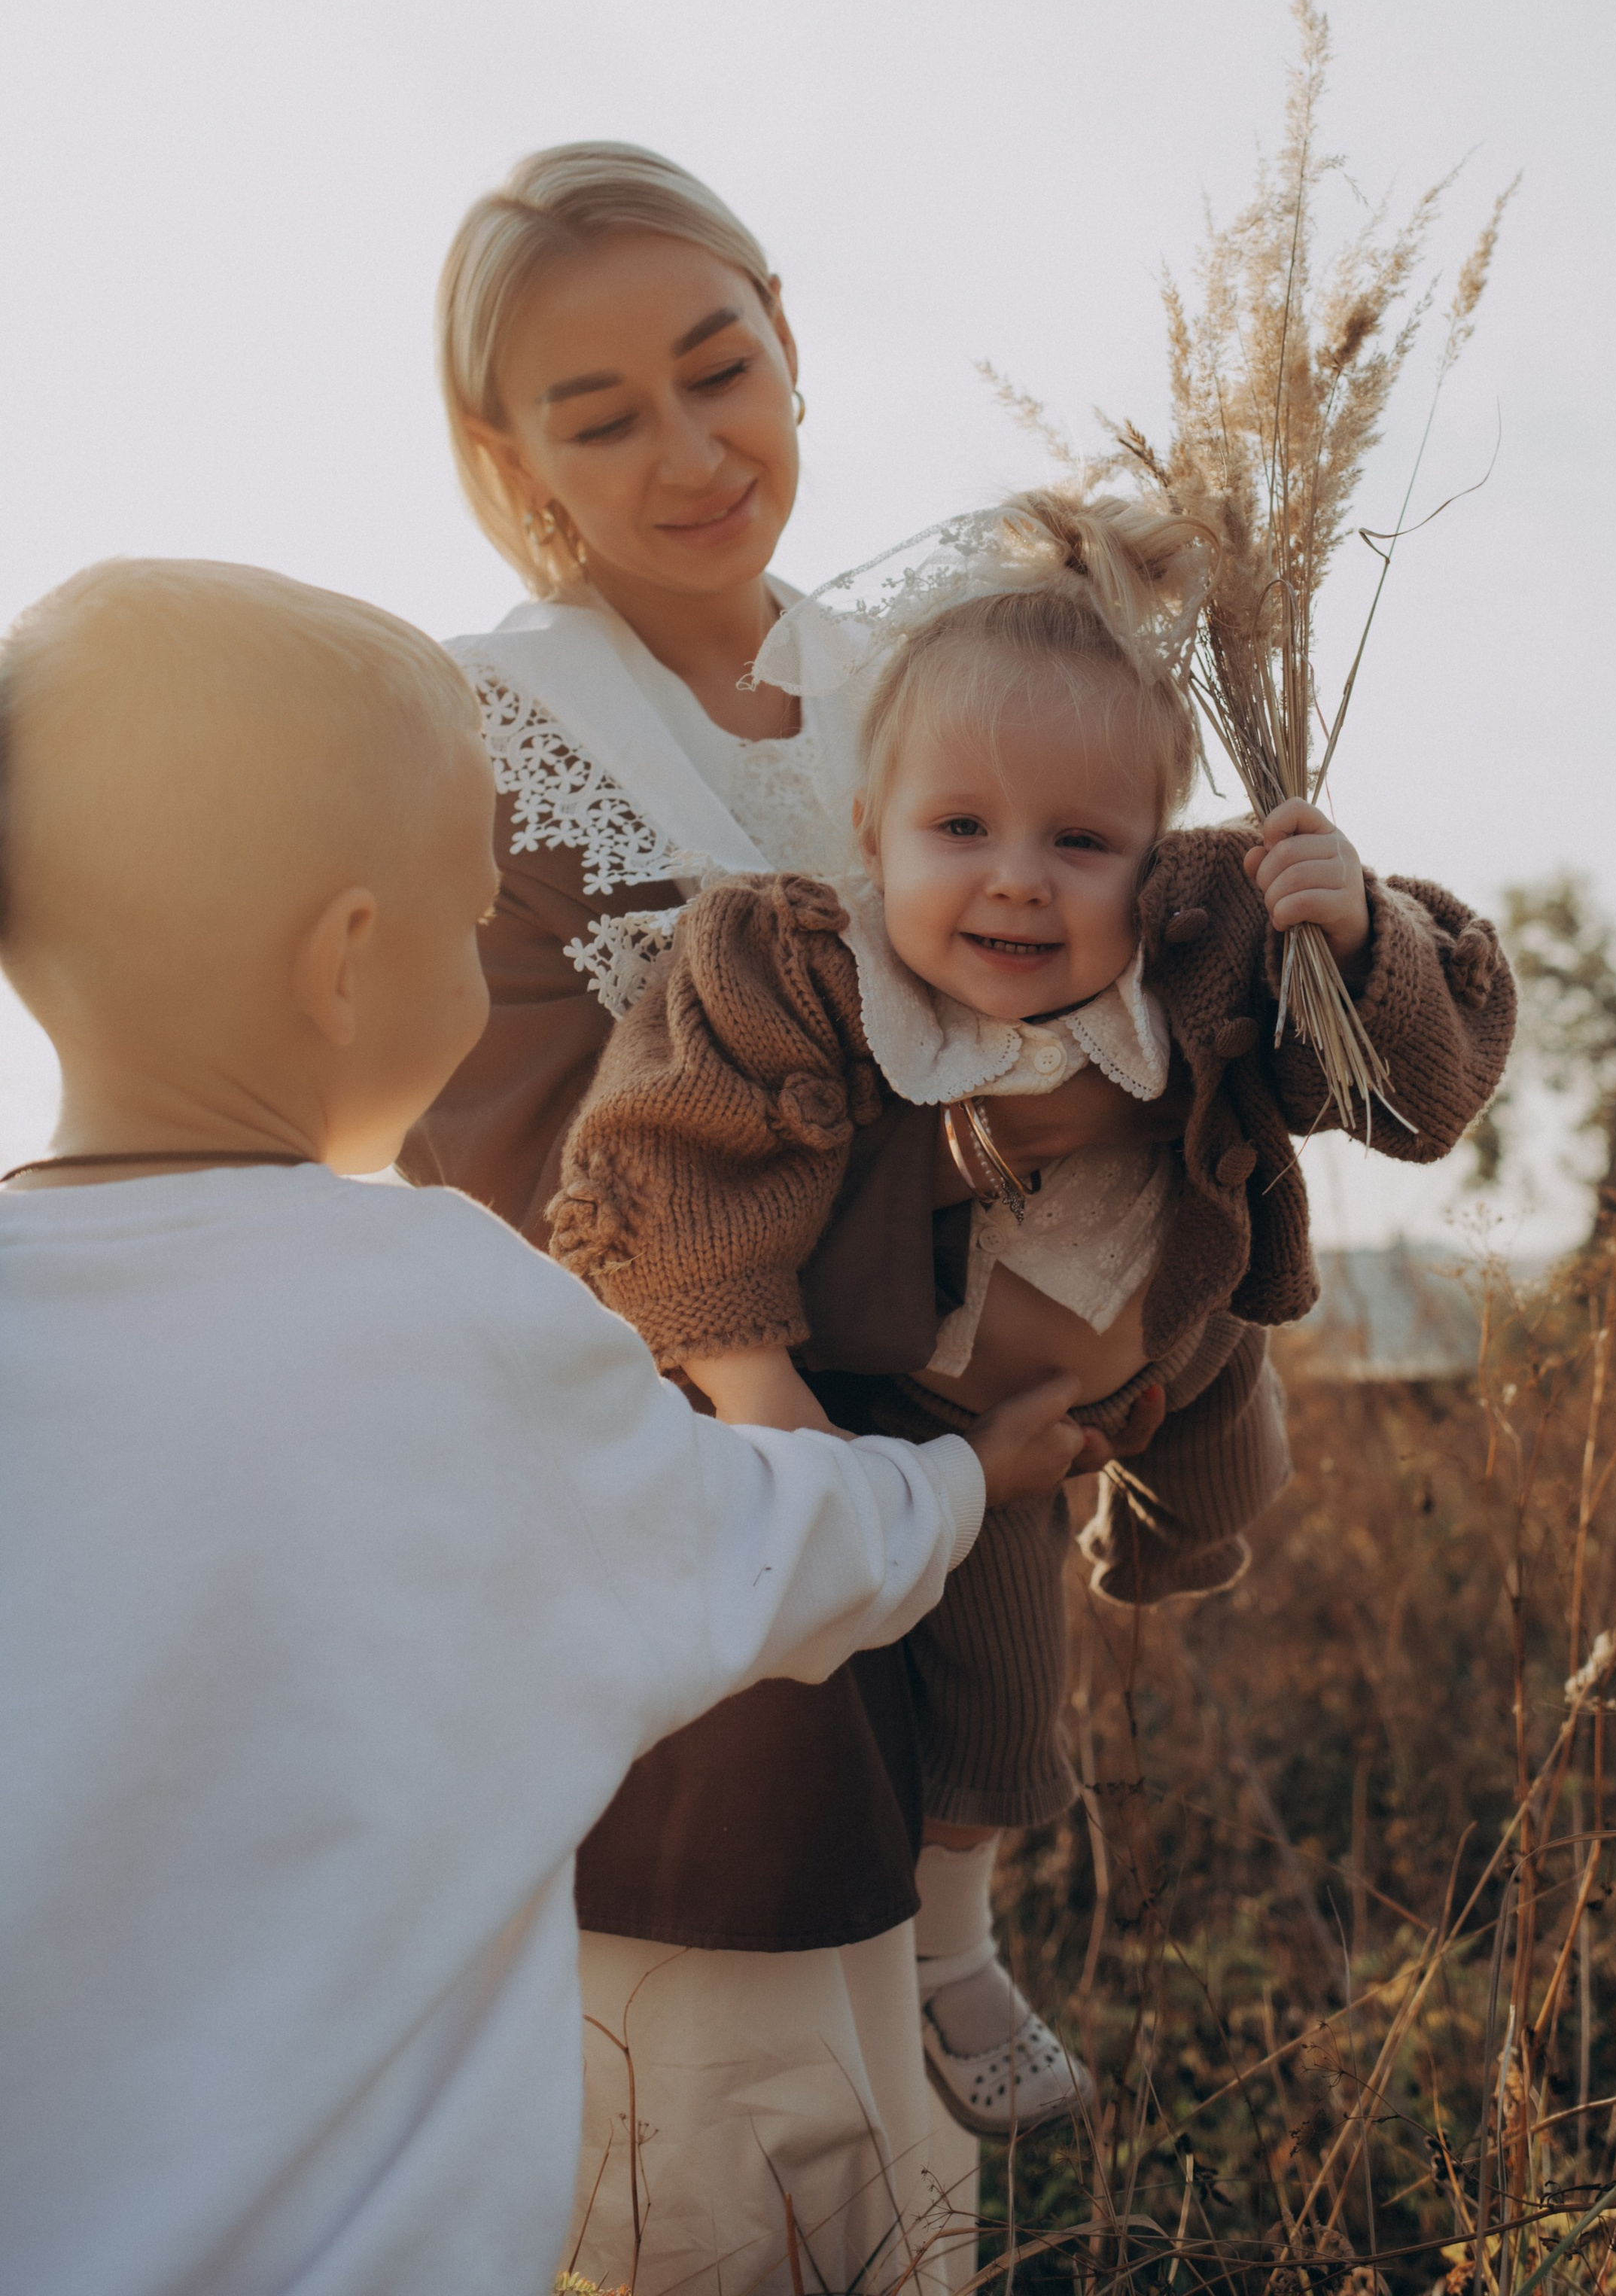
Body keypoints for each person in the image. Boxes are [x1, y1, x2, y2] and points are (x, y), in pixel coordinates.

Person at [0, 557, 1091, 2296]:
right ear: (346, 961)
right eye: (463, 919)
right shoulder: (447, 1306)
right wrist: (970, 1479)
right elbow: (767, 1541)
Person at [401, 145, 1178, 2280]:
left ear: (788, 340)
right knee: (722, 2161)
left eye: (717, 367)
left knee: (904, 2177)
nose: (689, 451)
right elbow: (528, 1183)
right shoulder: (483, 736)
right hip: (695, 1541)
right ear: (509, 455)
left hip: (968, 1488)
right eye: (598, 415)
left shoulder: (930, 674)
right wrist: (971, 1224)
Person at [550, 488, 1519, 2131]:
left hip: (1188, 1321)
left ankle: (1166, 1538)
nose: (1017, 884)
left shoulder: (1209, 941)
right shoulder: (798, 968)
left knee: (1226, 1485)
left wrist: (1359, 931)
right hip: (972, 1411)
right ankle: (957, 1944)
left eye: (1080, 843)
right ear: (869, 831)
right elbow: (673, 1163)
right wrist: (769, 1405)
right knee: (1002, 1710)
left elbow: (1418, 1095)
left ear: (1159, 856)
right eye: (961, 830)